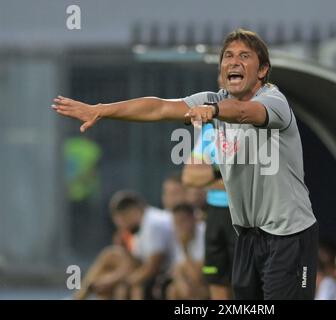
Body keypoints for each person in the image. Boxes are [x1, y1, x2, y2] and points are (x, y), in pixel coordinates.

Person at [52, 28, 318, 300]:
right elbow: (159, 108)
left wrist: (214, 111)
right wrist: (102, 110)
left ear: (262, 71)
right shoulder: (214, 99)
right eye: (228, 56)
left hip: (289, 234)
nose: (234, 61)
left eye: (244, 56)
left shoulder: (273, 101)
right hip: (249, 236)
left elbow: (243, 112)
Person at [74, 190, 174, 300]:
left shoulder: (153, 224)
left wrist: (117, 280)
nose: (122, 227)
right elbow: (134, 262)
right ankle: (79, 296)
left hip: (166, 273)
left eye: (122, 221)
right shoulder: (140, 225)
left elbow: (152, 267)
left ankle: (81, 295)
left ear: (131, 212)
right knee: (111, 257)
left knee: (125, 285)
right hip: (152, 270)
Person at [182, 122, 236, 300]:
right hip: (215, 214)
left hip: (243, 214)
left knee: (245, 282)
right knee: (216, 278)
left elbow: (247, 184)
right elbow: (189, 177)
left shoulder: (251, 126)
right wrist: (223, 172)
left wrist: (207, 176)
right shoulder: (210, 128)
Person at [166, 204, 209, 300]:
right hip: (192, 278)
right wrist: (182, 284)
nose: (179, 226)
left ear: (193, 219)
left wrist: (184, 248)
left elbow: (198, 275)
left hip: (212, 272)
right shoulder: (178, 234)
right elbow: (176, 269)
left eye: (182, 221)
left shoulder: (205, 234)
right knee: (172, 290)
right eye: (176, 222)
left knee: (198, 291)